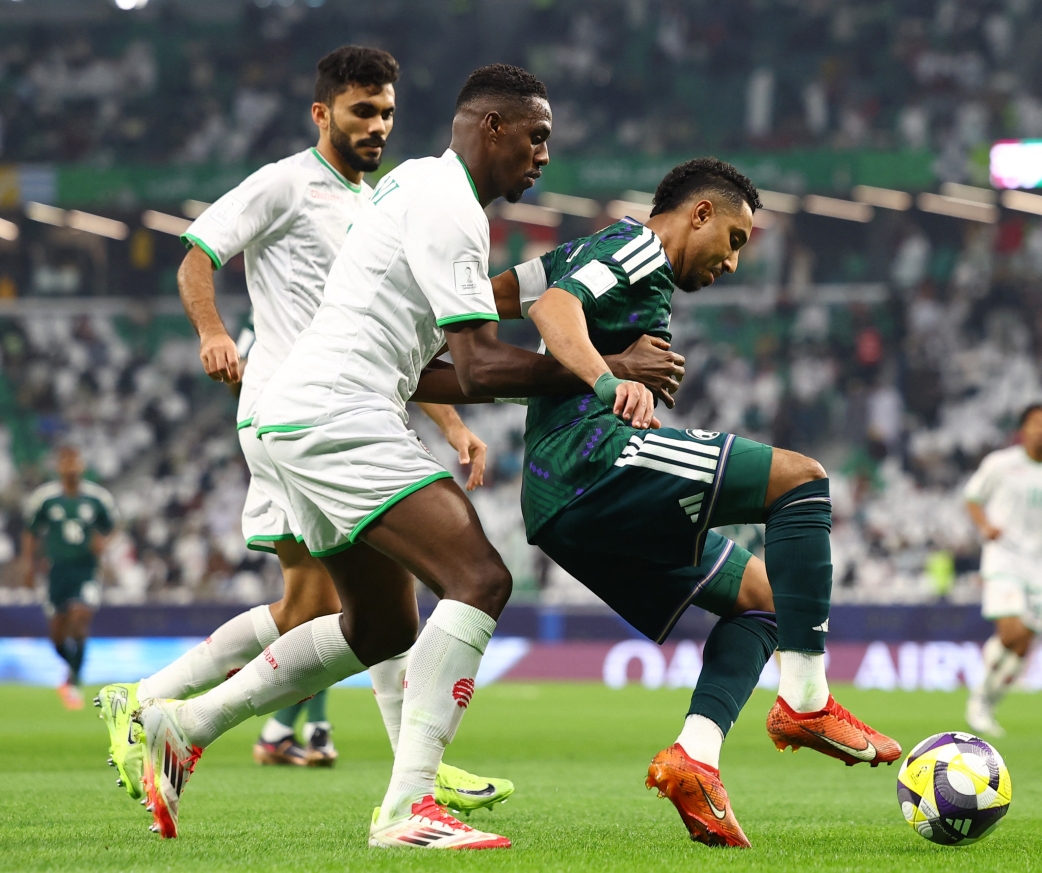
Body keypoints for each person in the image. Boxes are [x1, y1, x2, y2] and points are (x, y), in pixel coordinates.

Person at [130, 63, 683, 847]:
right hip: (338, 413)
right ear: (491, 127)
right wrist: (607, 369)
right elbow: (481, 367)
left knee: (383, 623)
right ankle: (407, 806)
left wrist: (562, 347)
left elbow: (432, 372)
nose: (543, 155)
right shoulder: (450, 206)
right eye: (535, 136)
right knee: (480, 577)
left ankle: (184, 724)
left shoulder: (414, 186)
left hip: (304, 413)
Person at [94, 46, 509, 816]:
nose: (378, 126)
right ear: (322, 113)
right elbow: (197, 254)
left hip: (346, 409)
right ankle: (408, 766)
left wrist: (451, 422)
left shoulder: (380, 201)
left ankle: (157, 706)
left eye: (387, 112)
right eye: (362, 111)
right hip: (294, 411)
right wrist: (213, 332)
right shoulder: (286, 182)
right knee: (353, 600)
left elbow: (394, 331)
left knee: (330, 604)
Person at [500, 157, 901, 847]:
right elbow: (550, 309)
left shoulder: (594, 251)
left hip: (561, 504)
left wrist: (428, 318)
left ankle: (695, 758)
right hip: (589, 463)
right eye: (735, 240)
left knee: (766, 599)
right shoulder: (636, 246)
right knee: (801, 479)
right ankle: (806, 701)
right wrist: (607, 381)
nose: (734, 262)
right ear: (700, 213)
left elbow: (501, 294)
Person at [964, 403, 1042, 736]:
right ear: (1024, 429)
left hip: (1040, 565)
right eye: (1037, 423)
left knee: (1023, 645)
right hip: (1005, 558)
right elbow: (972, 497)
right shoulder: (1000, 464)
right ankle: (979, 698)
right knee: (1011, 632)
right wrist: (985, 526)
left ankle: (989, 702)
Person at [21, 446, 116, 710]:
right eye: (66, 462)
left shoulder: (97, 498)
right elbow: (31, 532)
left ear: (82, 466)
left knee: (79, 617)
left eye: (75, 461)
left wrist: (102, 542)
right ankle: (71, 670)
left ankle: (73, 681)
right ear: (59, 467)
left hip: (85, 570)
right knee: (57, 634)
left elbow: (111, 527)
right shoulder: (45, 499)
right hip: (56, 571)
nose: (71, 467)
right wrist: (29, 566)